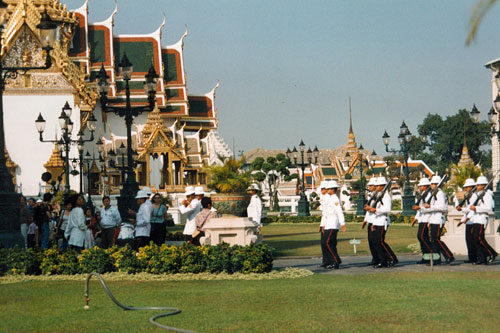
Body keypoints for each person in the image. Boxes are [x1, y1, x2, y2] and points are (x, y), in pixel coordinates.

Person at [423, 175, 454, 265]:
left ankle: (449, 256)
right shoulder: (434, 193)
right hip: (433, 218)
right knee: (433, 240)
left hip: (438, 218)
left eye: (432, 184)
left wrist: (430, 206)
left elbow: (441, 207)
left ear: (437, 184)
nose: (431, 185)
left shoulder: (439, 193)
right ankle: (437, 259)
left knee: (436, 239)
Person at [368, 177, 398, 268]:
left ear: (382, 186)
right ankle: (383, 259)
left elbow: (387, 209)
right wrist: (373, 222)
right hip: (377, 221)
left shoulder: (386, 196)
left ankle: (391, 258)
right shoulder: (379, 195)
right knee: (376, 242)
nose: (376, 187)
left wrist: (375, 210)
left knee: (380, 241)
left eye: (378, 186)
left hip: (382, 221)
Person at [470, 176, 497, 264]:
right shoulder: (477, 194)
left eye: (478, 185)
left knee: (478, 238)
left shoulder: (487, 195)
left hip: (482, 218)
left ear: (483, 186)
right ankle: (482, 258)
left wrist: (476, 208)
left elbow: (488, 208)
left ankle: (491, 253)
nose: (477, 186)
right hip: (476, 218)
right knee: (475, 238)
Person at [319, 180, 346, 269]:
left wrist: (342, 223)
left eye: (329, 189)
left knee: (327, 242)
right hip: (328, 223)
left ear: (333, 189)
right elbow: (325, 213)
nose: (327, 190)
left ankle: (335, 261)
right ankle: (332, 260)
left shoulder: (335, 198)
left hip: (333, 223)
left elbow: (339, 212)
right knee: (326, 243)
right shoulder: (330, 198)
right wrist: (323, 224)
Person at [456, 178, 477, 263]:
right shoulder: (469, 195)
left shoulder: (474, 196)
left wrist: (462, 209)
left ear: (471, 187)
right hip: (469, 220)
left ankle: (475, 257)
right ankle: (471, 257)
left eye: (467, 187)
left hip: (473, 220)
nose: (466, 189)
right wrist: (462, 220)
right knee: (468, 240)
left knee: (472, 240)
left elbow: (470, 209)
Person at [411, 178, 433, 264]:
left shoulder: (429, 195)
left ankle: (431, 253)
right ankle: (426, 257)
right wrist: (416, 218)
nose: (419, 187)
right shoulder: (423, 194)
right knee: (422, 237)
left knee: (421, 237)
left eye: (421, 186)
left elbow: (430, 207)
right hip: (421, 218)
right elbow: (419, 208)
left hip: (427, 218)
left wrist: (420, 208)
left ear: (425, 186)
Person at [362, 177, 379, 266]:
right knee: (371, 241)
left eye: (372, 185)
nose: (370, 187)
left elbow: (375, 210)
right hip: (371, 220)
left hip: (376, 221)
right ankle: (375, 258)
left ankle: (379, 258)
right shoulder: (372, 195)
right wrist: (365, 220)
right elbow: (369, 211)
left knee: (376, 241)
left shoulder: (378, 196)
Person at [317, 180, 329, 268]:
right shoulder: (324, 198)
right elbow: (324, 214)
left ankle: (329, 260)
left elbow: (328, 214)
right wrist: (321, 224)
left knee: (327, 243)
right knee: (323, 243)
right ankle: (325, 260)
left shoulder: (329, 198)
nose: (321, 190)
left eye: (322, 189)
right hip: (325, 222)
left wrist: (324, 225)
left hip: (329, 224)